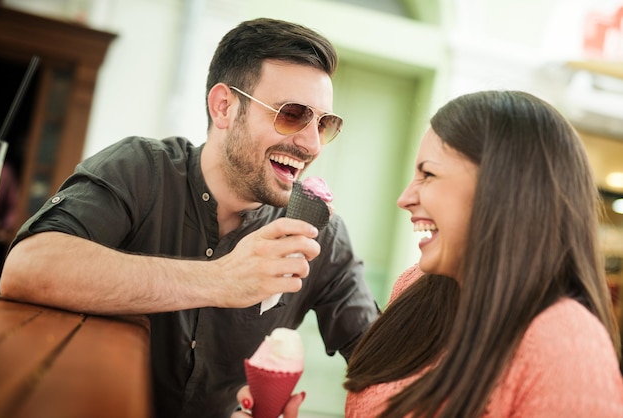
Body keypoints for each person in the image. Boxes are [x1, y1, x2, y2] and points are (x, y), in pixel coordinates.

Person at [0, 18, 379, 418]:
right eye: (292, 114)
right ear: (225, 106)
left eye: (324, 123)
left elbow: (382, 363)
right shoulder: (140, 170)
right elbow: (27, 267)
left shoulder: (323, 236)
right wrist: (221, 279)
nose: (312, 142)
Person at [233, 90, 623, 417]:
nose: (405, 198)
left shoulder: (568, 347)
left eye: (429, 174)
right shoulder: (418, 288)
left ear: (502, 192)